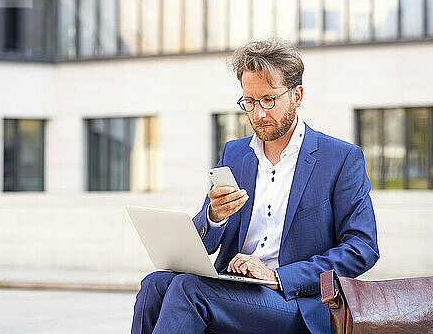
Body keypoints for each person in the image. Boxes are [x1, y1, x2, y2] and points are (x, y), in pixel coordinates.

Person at [131, 38, 379, 334]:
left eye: (268, 100)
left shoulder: (340, 158)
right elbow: (206, 244)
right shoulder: (234, 154)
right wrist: (215, 216)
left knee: (189, 288)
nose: (258, 113)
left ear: (297, 95)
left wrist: (277, 276)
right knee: (155, 284)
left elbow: (362, 249)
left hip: (295, 301)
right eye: (249, 102)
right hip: (233, 287)